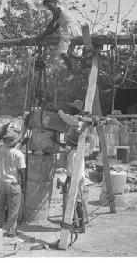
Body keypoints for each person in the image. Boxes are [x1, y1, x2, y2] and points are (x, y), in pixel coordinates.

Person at [57, 99, 87, 233]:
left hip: (77, 178)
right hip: (78, 177)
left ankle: (80, 226)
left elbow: (72, 172)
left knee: (76, 201)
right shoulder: (75, 151)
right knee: (76, 201)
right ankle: (76, 223)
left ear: (76, 110)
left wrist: (66, 183)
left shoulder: (76, 120)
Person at [35, 0, 80, 82]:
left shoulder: (58, 10)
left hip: (69, 30)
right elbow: (55, 27)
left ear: (55, 3)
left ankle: (71, 73)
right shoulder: (60, 12)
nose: (49, 7)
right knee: (69, 53)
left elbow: (51, 24)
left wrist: (42, 35)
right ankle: (80, 59)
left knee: (63, 52)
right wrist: (45, 34)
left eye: (50, 5)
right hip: (74, 30)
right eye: (47, 6)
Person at [0, 132, 26, 237]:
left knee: (1, 208)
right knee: (13, 209)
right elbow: (22, 171)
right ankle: (11, 231)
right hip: (13, 183)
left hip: (2, 182)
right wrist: (23, 185)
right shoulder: (18, 154)